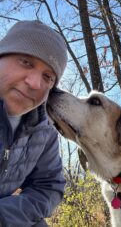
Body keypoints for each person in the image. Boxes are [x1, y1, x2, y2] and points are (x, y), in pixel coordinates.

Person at [0, 20, 67, 226]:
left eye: (47, 77)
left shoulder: (44, 130)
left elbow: (49, 185)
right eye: (26, 62)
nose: (35, 83)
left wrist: (4, 215)